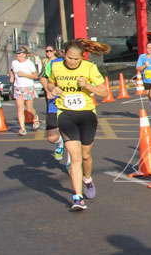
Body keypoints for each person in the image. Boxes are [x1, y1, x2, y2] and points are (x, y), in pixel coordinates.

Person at [42, 38, 111, 210]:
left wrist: (88, 85)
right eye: (69, 58)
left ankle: (87, 178)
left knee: (86, 155)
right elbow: (51, 82)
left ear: (82, 58)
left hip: (87, 115)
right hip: (66, 114)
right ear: (64, 55)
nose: (72, 62)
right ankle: (78, 198)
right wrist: (53, 89)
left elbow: (104, 92)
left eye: (76, 59)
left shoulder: (89, 68)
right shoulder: (56, 67)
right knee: (75, 157)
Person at [39, 45, 68, 162]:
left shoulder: (81, 64)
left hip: (72, 105)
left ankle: (71, 162)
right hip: (54, 103)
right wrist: (48, 90)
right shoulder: (54, 64)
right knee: (52, 137)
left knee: (72, 136)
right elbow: (42, 77)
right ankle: (60, 144)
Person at [10, 47, 40, 135]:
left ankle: (35, 117)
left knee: (29, 109)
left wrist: (24, 74)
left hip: (28, 87)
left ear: (24, 54)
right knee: (20, 108)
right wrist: (12, 76)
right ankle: (22, 128)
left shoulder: (29, 63)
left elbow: (35, 76)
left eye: (20, 54)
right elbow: (12, 70)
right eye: (17, 54)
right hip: (18, 87)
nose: (18, 55)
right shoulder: (14, 63)